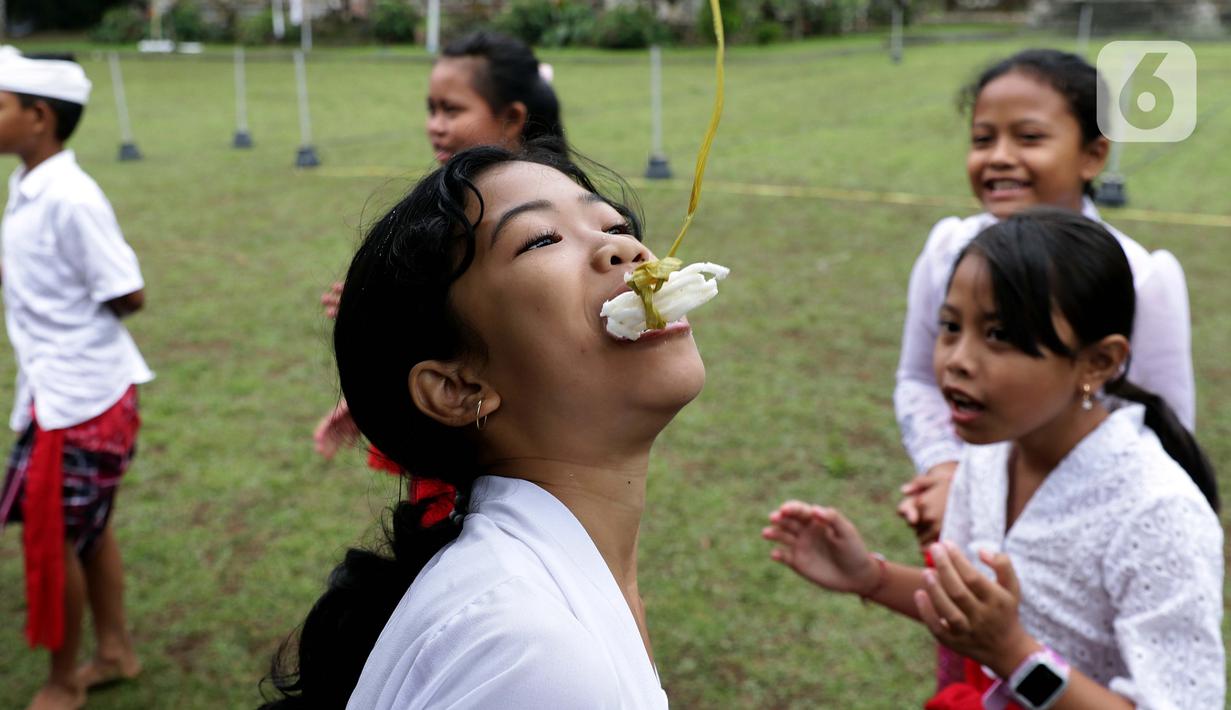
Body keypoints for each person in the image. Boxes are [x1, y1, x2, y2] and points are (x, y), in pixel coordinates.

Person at [263, 142, 696, 708]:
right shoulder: (538, 658)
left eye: (614, 224)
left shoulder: (552, 607)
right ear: (458, 389)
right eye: (542, 239)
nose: (625, 248)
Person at [765, 210, 1222, 710]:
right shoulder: (989, 456)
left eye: (1000, 334)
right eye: (950, 326)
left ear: (1097, 363)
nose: (957, 359)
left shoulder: (1157, 514)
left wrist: (1016, 657)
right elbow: (979, 608)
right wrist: (870, 578)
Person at [894, 49, 1195, 547]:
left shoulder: (1141, 277)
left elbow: (1165, 425)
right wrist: (948, 471)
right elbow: (917, 378)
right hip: (973, 521)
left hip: (1089, 528)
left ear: (1093, 154)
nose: (999, 156)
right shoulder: (948, 249)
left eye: (1029, 137)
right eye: (982, 138)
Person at [314, 31, 564, 469]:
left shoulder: (544, 220)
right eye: (431, 109)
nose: (435, 125)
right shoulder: (453, 211)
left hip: (522, 460)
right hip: (456, 443)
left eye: (452, 109)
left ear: (511, 118)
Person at [0, 49, 151, 710]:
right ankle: (115, 650)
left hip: (82, 399)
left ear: (39, 117)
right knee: (88, 532)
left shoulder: (71, 196)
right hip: (54, 393)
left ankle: (64, 683)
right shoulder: (29, 184)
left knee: (54, 538)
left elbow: (127, 292)